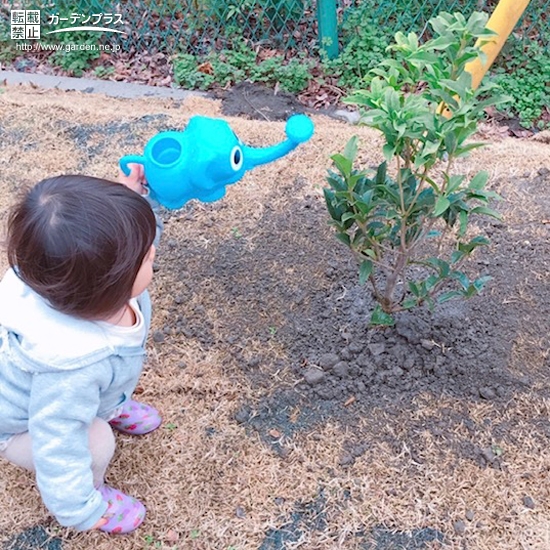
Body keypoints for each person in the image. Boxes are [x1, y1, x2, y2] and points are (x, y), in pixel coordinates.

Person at [0, 165, 163, 534]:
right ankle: (95, 491)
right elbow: (57, 445)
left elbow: (120, 244)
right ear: (111, 279)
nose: (153, 251)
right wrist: (78, 509)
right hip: (21, 426)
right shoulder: (71, 367)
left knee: (96, 400)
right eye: (144, 255)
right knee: (95, 442)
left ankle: (110, 403)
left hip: (79, 389)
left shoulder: (76, 278)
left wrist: (132, 200)